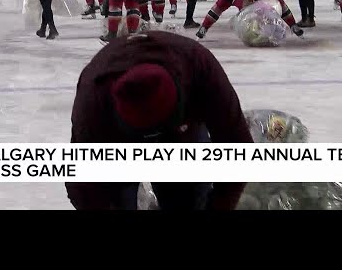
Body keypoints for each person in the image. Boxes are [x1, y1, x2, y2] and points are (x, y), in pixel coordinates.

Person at [65, 31, 254, 210]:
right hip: (118, 147)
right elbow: (83, 186)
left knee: (188, 199)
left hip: (181, 138)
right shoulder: (93, 100)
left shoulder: (200, 68)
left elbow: (239, 150)